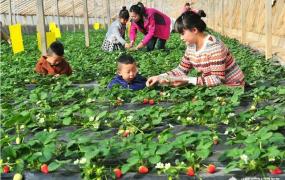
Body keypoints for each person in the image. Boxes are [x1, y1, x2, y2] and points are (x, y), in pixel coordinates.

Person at [146, 10, 245, 87]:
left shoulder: (215, 47)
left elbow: (218, 79)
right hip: (213, 86)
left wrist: (187, 80)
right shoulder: (191, 46)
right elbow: (181, 69)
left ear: (194, 30)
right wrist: (160, 77)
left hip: (233, 86)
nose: (181, 38)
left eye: (182, 33)